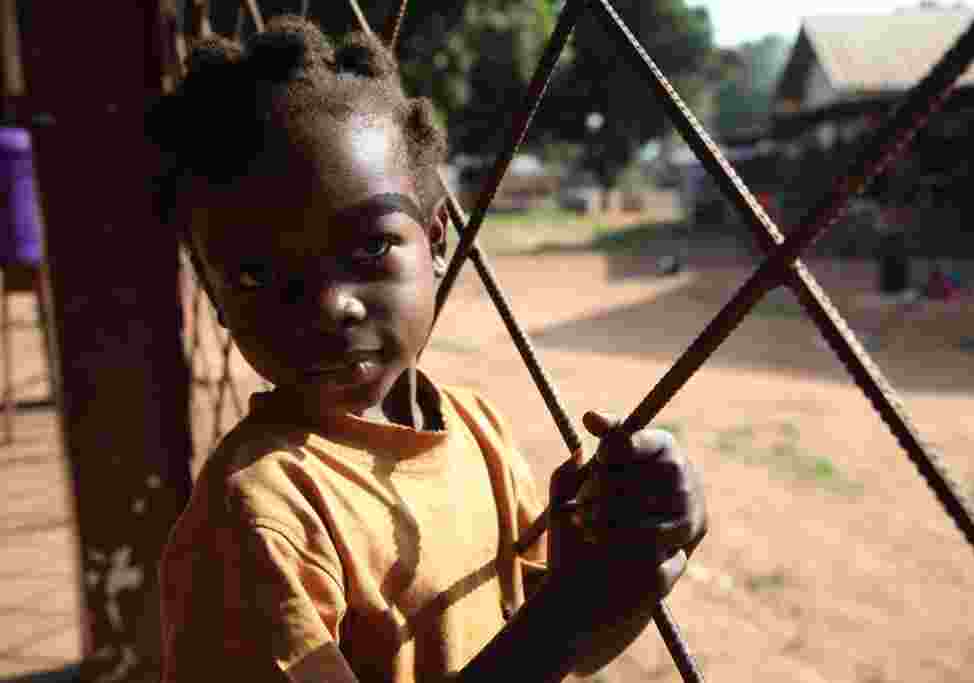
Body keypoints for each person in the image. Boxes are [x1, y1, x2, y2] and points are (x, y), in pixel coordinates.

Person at [147, 17, 707, 683]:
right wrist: (566, 615)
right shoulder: (254, 520)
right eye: (255, 275)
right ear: (214, 294)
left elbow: (553, 645)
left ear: (437, 241)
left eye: (371, 246)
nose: (331, 305)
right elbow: (553, 633)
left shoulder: (477, 429)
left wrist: (635, 558)